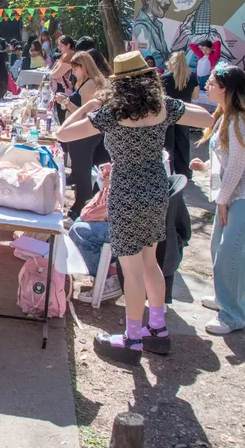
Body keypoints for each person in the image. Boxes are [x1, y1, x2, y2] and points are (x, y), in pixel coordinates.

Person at [57, 51, 214, 365]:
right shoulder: (163, 107)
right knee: (150, 262)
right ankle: (157, 330)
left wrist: (88, 105)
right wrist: (172, 103)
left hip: (126, 192)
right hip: (157, 189)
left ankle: (132, 338)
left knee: (131, 270)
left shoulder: (111, 113)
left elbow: (63, 134)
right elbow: (207, 118)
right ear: (148, 79)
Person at [190, 65, 245, 335]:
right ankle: (226, 300)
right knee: (220, 247)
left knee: (230, 253)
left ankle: (233, 315)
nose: (206, 86)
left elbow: (238, 167)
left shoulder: (240, 120)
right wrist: (205, 167)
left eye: (212, 83)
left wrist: (222, 201)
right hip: (237, 194)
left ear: (226, 89)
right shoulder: (227, 115)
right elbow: (227, 156)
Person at [54, 51, 109, 219]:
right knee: (79, 170)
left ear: (84, 67)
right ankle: (80, 203)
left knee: (82, 171)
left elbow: (86, 114)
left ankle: (81, 205)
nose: (73, 73)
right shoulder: (85, 82)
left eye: (75, 69)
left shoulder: (90, 83)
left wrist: (66, 102)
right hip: (79, 134)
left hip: (84, 135)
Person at [69, 163, 123, 303]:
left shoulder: (144, 163)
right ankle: (109, 270)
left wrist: (114, 184)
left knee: (79, 232)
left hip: (128, 226)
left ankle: (108, 281)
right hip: (120, 220)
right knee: (79, 222)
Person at [162, 51, 199, 178]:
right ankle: (184, 172)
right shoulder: (192, 77)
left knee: (168, 144)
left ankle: (169, 171)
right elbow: (195, 95)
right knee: (183, 142)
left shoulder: (165, 78)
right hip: (185, 113)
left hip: (168, 114)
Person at [50, 35, 76, 122]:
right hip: (63, 87)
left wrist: (52, 73)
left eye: (61, 46)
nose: (59, 48)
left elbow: (56, 74)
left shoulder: (70, 55)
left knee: (64, 115)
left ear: (68, 45)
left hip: (66, 89)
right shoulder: (65, 55)